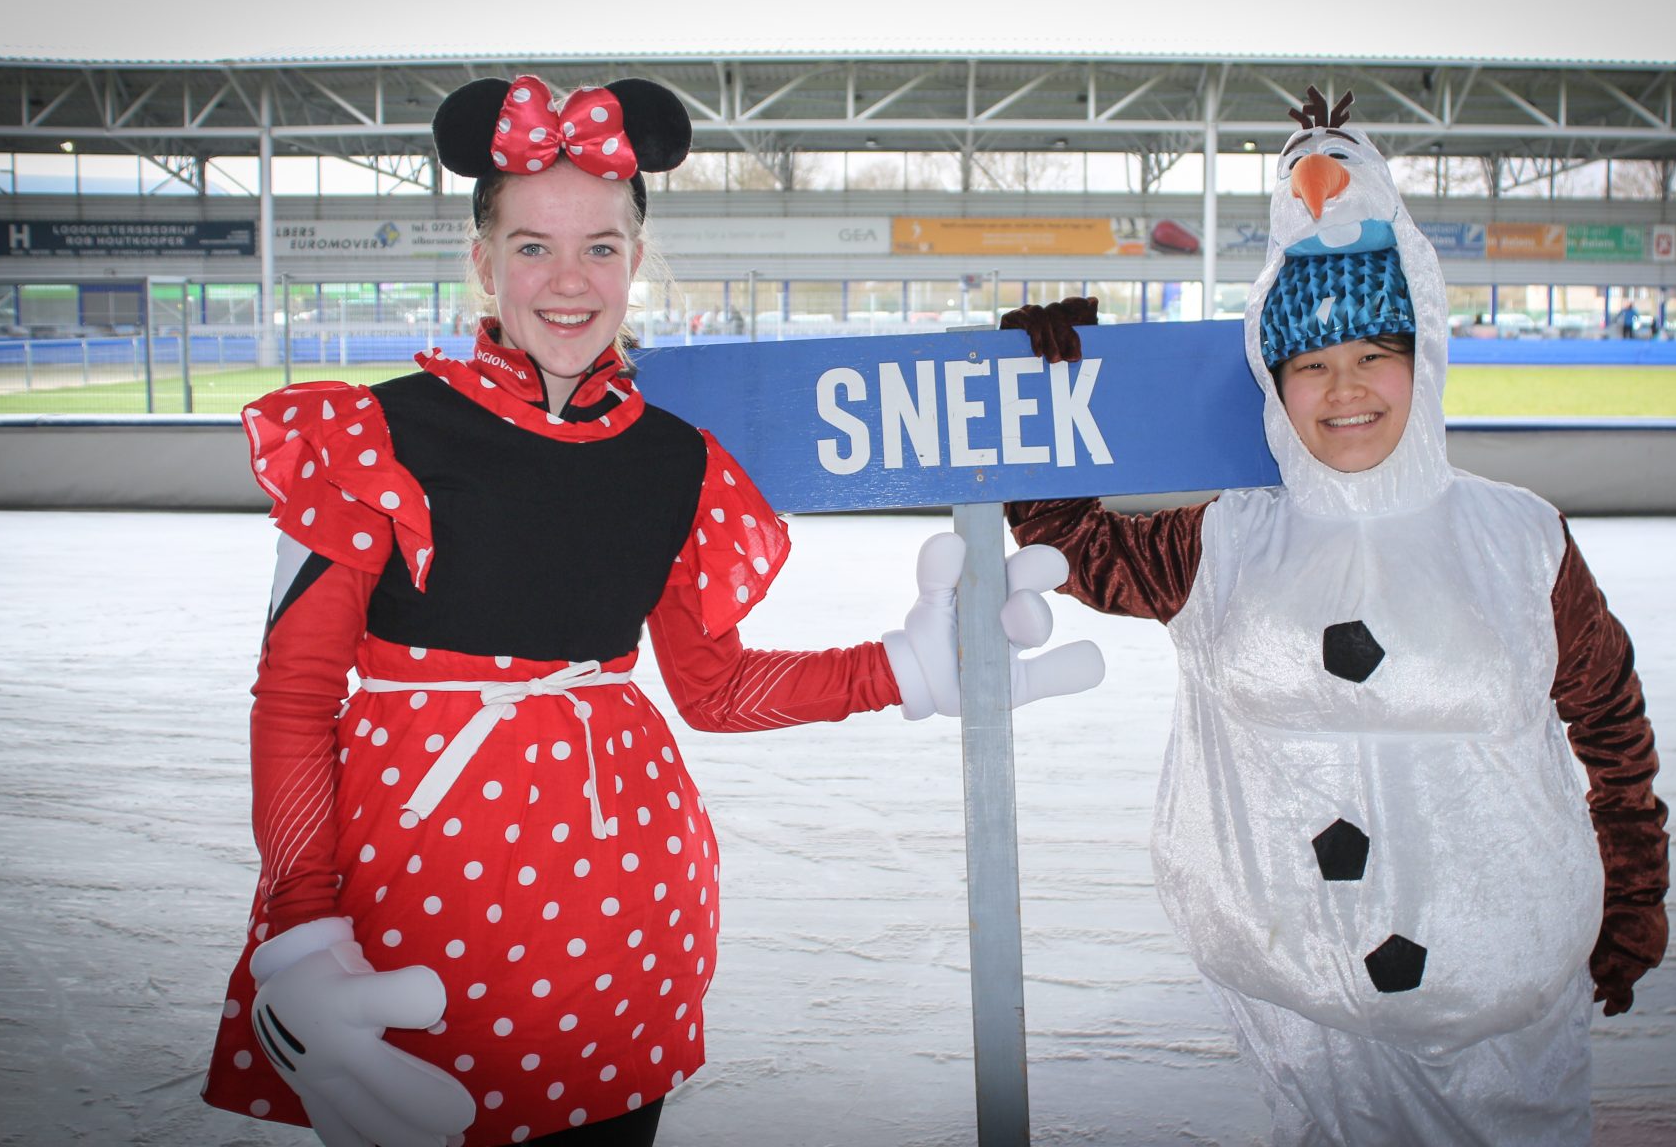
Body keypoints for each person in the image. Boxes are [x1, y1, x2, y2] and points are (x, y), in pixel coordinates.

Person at [201, 73, 1102, 1147]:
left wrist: (897, 668)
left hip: (628, 891)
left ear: (638, 262)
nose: (566, 281)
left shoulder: (675, 459)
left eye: (600, 247)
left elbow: (713, 690)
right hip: (414, 896)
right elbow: (295, 695)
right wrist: (302, 926)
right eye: (531, 247)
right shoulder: (369, 436)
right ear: (484, 264)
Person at [998, 87, 1668, 1145]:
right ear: (1274, 378)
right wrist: (1036, 394)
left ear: (1421, 359)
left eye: (1372, 356)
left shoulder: (1519, 539)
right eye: (1309, 362)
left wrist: (1631, 887)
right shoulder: (1221, 540)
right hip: (1306, 1003)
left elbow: (1609, 721)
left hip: (1503, 1005)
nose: (1342, 390)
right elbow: (1069, 545)